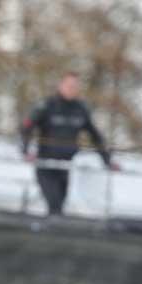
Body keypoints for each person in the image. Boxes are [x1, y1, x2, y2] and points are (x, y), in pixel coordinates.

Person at [21, 72, 120, 216]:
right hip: (46, 164)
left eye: (75, 86)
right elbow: (26, 127)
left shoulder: (81, 109)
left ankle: (52, 234)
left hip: (66, 165)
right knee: (54, 205)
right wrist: (25, 151)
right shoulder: (47, 105)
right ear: (61, 85)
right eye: (69, 86)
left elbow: (96, 136)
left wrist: (107, 160)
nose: (72, 89)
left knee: (59, 207)